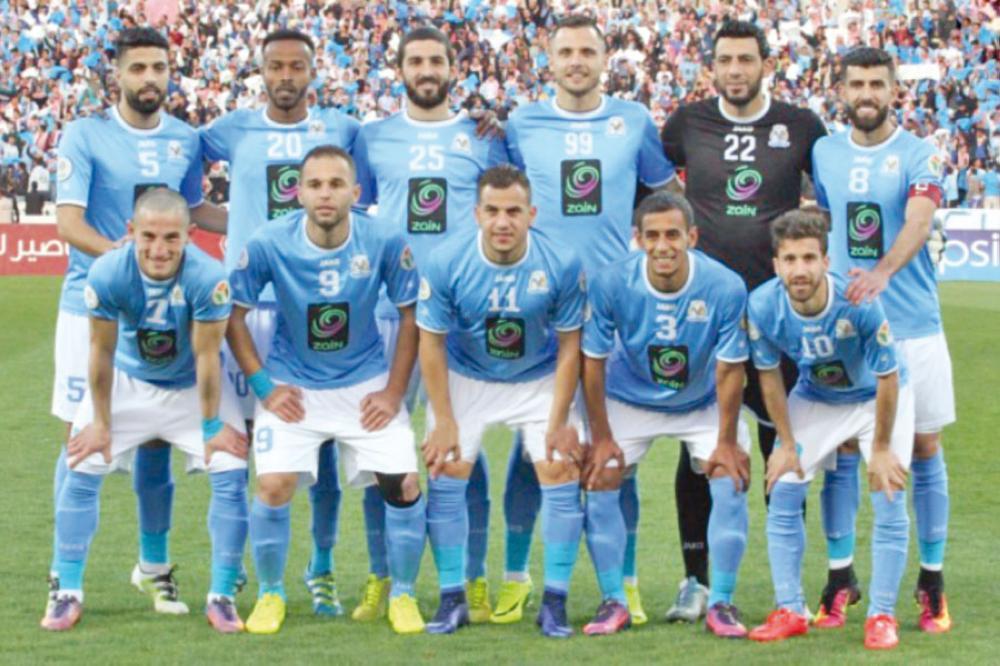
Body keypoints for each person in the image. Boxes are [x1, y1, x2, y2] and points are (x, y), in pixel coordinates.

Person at [500, 13, 679, 626]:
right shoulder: (521, 123)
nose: (576, 60)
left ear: (606, 59)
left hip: (612, 305)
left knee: (614, 446)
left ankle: (624, 581)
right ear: (548, 61)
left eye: (587, 50)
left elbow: (666, 198)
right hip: (539, 304)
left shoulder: (634, 120)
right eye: (566, 51)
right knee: (532, 446)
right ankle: (515, 577)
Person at [51, 26, 226, 616]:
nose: (149, 78)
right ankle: (62, 575)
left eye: (159, 68)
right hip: (91, 303)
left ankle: (153, 568)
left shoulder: (185, 137)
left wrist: (257, 224)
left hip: (166, 309)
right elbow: (69, 224)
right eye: (138, 68)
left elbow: (192, 210)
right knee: (80, 441)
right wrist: (131, 265)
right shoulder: (86, 134)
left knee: (155, 439)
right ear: (118, 75)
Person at [659, 19, 827, 623]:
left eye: (746, 59)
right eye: (725, 60)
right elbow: (648, 179)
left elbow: (830, 197)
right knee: (700, 450)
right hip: (707, 315)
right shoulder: (686, 124)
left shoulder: (801, 126)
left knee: (785, 446)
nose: (735, 70)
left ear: (765, 64)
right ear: (712, 66)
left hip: (779, 315)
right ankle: (696, 581)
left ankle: (790, 586)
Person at [227, 145, 426, 635]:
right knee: (273, 486)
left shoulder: (383, 238)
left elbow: (411, 315)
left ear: (355, 193)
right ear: (297, 192)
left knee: (403, 484)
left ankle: (402, 593)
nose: (325, 194)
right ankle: (271, 593)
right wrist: (264, 386)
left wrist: (393, 391)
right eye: (315, 184)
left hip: (365, 384)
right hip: (293, 385)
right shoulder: (270, 242)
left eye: (336, 184)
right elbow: (232, 316)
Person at [201, 27, 366, 618]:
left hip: (311, 309)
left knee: (323, 448)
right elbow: (181, 191)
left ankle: (321, 567)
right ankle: (232, 569)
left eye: (297, 66)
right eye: (277, 66)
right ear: (262, 71)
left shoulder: (342, 129)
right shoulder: (230, 129)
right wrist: (236, 227)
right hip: (245, 311)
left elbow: (362, 202)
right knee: (235, 447)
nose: (287, 76)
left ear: (313, 72)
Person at [352, 26, 508, 624]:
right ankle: (382, 575)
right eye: (415, 60)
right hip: (391, 313)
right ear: (399, 70)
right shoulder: (372, 137)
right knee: (381, 446)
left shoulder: (483, 136)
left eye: (436, 60)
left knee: (464, 447)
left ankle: (471, 577)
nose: (426, 69)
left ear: (452, 68)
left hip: (462, 313)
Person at [42, 188, 248, 634]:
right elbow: (100, 351)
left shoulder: (209, 277)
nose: (159, 249)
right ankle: (66, 590)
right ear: (131, 231)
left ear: (189, 235)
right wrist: (101, 423)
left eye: (171, 238)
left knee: (231, 472)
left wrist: (212, 425)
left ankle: (222, 596)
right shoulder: (108, 271)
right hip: (127, 380)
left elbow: (208, 357)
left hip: (190, 385)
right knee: (82, 463)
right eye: (149, 236)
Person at [812, 46, 953, 634]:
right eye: (857, 84)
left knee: (923, 448)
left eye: (877, 83)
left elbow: (919, 220)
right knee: (844, 451)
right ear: (842, 90)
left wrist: (883, 272)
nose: (866, 94)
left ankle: (932, 581)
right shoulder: (824, 151)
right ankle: (841, 577)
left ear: (895, 89)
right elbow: (826, 224)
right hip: (848, 329)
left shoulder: (920, 152)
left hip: (913, 323)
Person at [417, 165, 586, 637]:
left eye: (513, 211)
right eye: (492, 211)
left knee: (560, 467)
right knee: (446, 466)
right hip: (466, 375)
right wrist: (443, 419)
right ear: (477, 214)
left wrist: (559, 420)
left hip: (537, 377)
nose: (503, 222)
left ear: (532, 213)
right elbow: (431, 342)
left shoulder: (561, 261)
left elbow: (571, 345)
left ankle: (555, 601)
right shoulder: (447, 260)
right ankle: (453, 598)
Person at [581, 191, 752, 638]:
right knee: (600, 476)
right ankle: (613, 601)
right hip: (629, 398)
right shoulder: (611, 282)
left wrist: (726, 442)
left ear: (691, 237)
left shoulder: (725, 286)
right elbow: (592, 363)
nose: (663, 246)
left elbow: (731, 370)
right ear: (637, 239)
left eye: (673, 235)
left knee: (730, 476)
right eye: (652, 236)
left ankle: (721, 602)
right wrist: (601, 437)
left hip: (701, 401)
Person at [746, 209, 914, 651]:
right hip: (818, 395)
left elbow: (888, 376)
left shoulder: (857, 301)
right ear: (776, 264)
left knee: (888, 489)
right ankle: (790, 609)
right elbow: (768, 376)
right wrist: (785, 443)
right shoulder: (762, 305)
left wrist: (880, 448)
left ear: (825, 261)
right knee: (783, 484)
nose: (799, 269)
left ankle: (881, 615)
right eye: (789, 259)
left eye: (808, 258)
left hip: (877, 397)